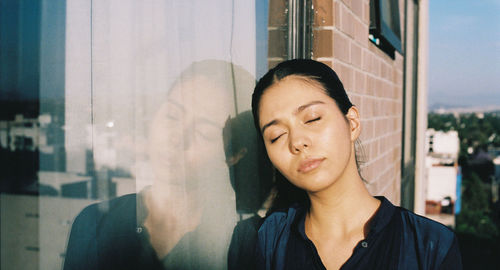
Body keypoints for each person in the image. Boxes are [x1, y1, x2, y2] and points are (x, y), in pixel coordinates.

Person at [251, 59, 462, 270]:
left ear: (352, 123)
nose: (297, 142)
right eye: (276, 136)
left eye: (312, 119)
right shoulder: (271, 239)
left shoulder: (429, 247)